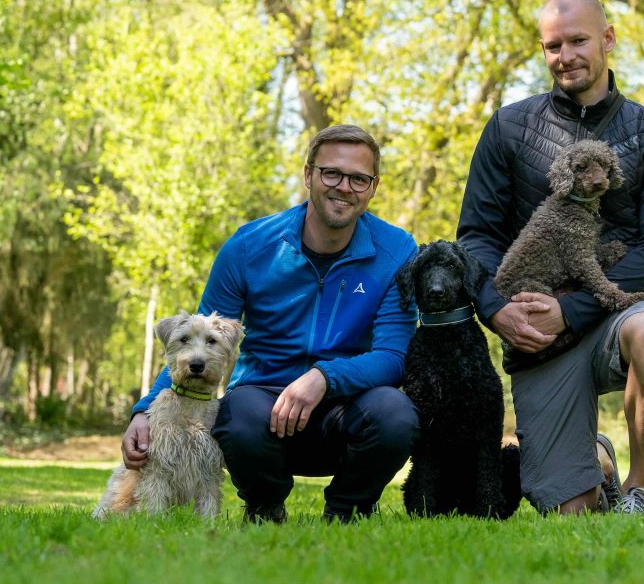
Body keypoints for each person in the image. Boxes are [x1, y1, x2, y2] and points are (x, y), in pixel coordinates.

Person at [457, 0, 644, 515]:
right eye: (552, 46)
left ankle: (637, 489)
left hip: (618, 314)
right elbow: (475, 235)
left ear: (608, 39)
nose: (564, 56)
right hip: (538, 334)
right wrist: (498, 310)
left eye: (578, 40)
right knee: (571, 512)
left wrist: (572, 309)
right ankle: (596, 466)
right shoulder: (508, 129)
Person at [122, 124, 420, 523]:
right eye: (331, 173)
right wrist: (143, 411)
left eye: (358, 179)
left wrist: (323, 377)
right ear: (308, 175)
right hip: (263, 411)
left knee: (397, 413)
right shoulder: (249, 245)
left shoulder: (397, 249)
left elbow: (393, 356)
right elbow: (194, 342)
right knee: (236, 416)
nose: (344, 187)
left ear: (373, 186)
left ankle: (348, 512)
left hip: (348, 410)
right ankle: (264, 509)